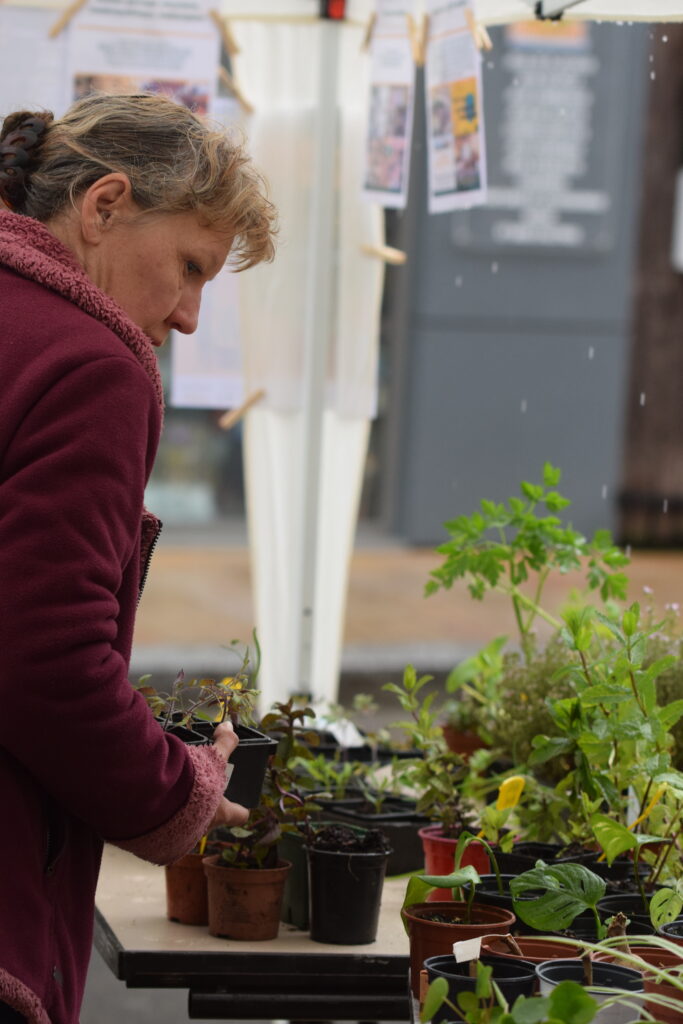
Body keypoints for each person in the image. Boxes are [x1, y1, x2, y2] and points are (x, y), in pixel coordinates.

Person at [0, 93, 277, 1024]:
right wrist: (179, 788)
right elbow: (41, 661)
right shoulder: (89, 364)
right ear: (104, 204)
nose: (190, 316)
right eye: (190, 267)